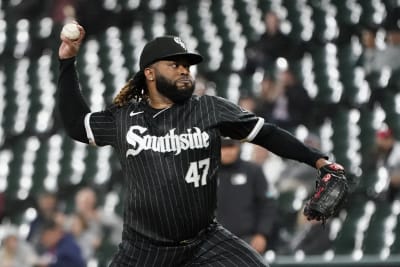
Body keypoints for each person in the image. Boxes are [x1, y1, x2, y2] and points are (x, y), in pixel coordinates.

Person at [57, 23, 342, 266]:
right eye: (175, 64)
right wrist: (67, 62)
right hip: (144, 249)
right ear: (150, 73)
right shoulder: (125, 118)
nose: (184, 71)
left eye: (186, 65)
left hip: (204, 240)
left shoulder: (208, 109)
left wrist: (319, 160)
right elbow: (77, 124)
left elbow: (266, 133)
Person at [217, 138, 277, 254]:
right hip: (216, 241)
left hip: (248, 240)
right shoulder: (208, 172)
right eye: (223, 148)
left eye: (231, 147)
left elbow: (267, 204)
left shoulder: (253, 171)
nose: (227, 152)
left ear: (238, 147)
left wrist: (262, 233)